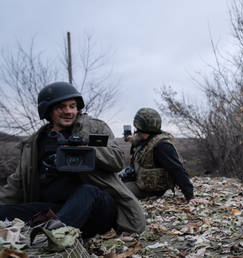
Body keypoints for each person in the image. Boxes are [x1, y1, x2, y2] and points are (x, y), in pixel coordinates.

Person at [0, 82, 146, 238]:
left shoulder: (93, 128)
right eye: (61, 107)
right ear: (48, 110)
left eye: (72, 106)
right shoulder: (34, 143)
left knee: (87, 191)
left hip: (97, 209)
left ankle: (54, 238)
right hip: (57, 210)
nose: (68, 111)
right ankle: (53, 230)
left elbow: (117, 160)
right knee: (4, 213)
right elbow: (18, 182)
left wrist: (86, 150)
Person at [119, 107, 203, 205]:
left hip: (150, 189)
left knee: (114, 190)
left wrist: (190, 196)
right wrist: (130, 139)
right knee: (113, 180)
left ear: (139, 126)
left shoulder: (162, 146)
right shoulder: (148, 138)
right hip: (140, 181)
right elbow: (138, 139)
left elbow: (177, 170)